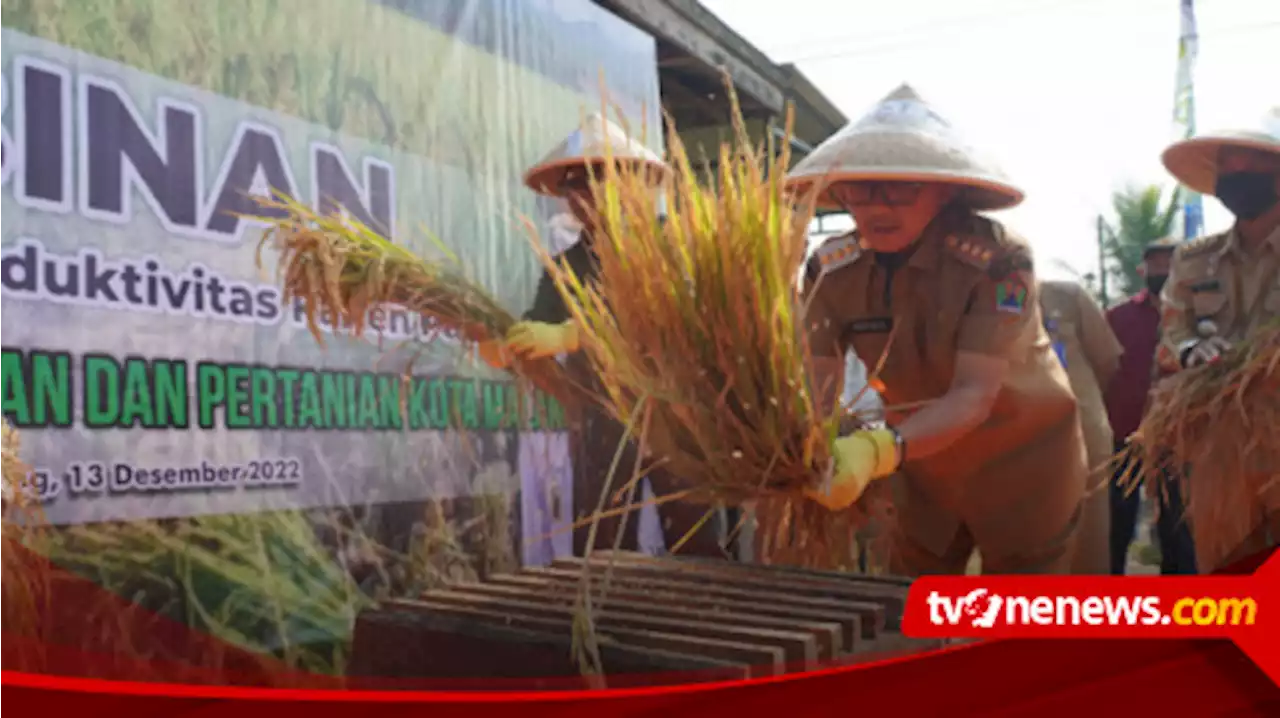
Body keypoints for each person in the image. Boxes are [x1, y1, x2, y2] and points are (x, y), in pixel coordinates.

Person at [785, 84, 1089, 575]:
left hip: (1021, 462)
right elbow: (819, 382)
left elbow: (973, 394)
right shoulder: (832, 268)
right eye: (859, 189)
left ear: (945, 190)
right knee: (909, 607)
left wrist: (874, 448)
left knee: (1014, 624)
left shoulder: (998, 260)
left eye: (902, 189)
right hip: (918, 470)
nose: (877, 207)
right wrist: (812, 445)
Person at [481, 113, 724, 558]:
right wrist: (507, 345)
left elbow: (667, 322)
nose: (585, 197)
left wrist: (574, 335)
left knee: (697, 540)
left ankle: (711, 619)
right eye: (574, 188)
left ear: (630, 183)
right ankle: (606, 626)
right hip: (603, 421)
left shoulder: (673, 245)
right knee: (603, 541)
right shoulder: (567, 265)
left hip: (678, 417)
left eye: (598, 182)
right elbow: (538, 324)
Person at [1153, 107, 1280, 571]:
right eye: (1225, 167)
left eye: (1246, 164)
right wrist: (1190, 352)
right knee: (1230, 581)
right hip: (1220, 454)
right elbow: (1171, 336)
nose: (1233, 176)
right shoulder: (1194, 261)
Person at [1102, 238, 1198, 575]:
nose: (1163, 271)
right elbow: (1100, 367)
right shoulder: (1118, 317)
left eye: (1169, 264)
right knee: (1116, 522)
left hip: (1177, 440)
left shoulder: (1196, 316)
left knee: (1178, 529)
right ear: (1143, 269)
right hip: (1125, 438)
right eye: (1156, 265)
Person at [1038, 279, 1123, 574]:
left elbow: (1107, 360)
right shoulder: (975, 305)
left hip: (1082, 434)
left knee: (1089, 540)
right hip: (1016, 442)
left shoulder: (1065, 296)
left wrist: (1081, 400)